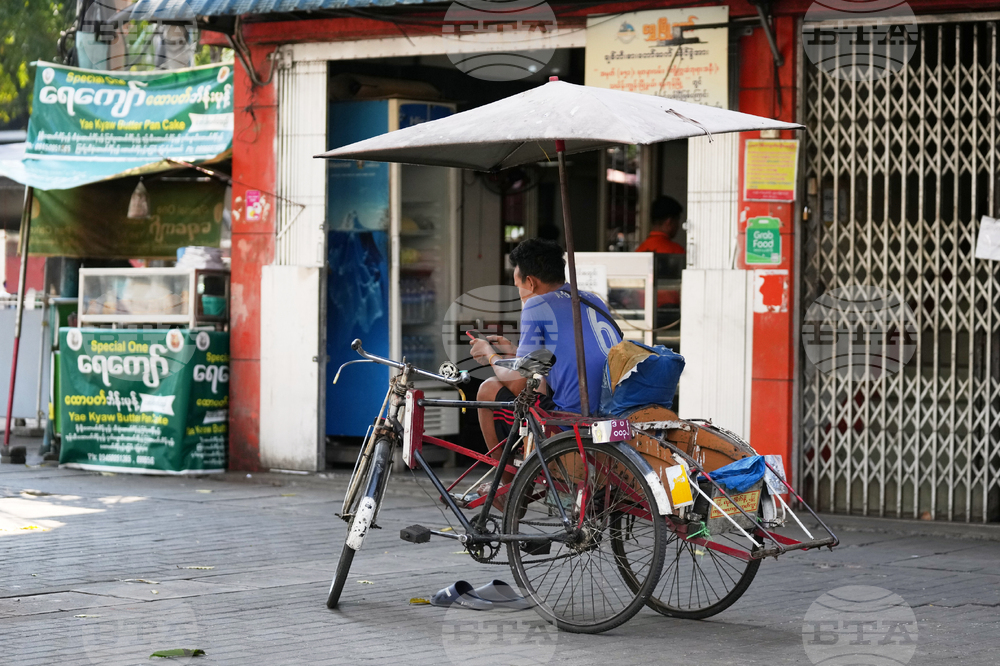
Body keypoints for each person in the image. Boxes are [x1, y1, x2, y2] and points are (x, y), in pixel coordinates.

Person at [469, 239, 622, 501]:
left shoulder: (536, 305)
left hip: (574, 417)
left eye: (518, 286)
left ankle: (509, 492)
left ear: (530, 282)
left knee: (488, 389)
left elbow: (518, 384)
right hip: (613, 408)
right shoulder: (590, 298)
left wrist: (490, 355)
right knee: (536, 386)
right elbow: (550, 362)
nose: (519, 293)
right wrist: (512, 351)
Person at [636, 195, 685, 306]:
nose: (678, 227)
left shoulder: (639, 251)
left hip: (643, 311)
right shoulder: (677, 251)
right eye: (677, 222)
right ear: (669, 222)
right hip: (670, 312)